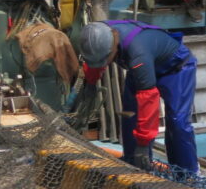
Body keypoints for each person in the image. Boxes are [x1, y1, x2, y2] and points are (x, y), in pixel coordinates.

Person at [78, 20, 199, 173]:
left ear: (113, 45)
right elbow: (94, 60)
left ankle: (187, 173)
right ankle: (133, 163)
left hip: (176, 69)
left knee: (177, 122)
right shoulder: (97, 34)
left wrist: (143, 144)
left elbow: (148, 100)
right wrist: (90, 84)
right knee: (130, 115)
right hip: (145, 66)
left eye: (105, 59)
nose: (104, 63)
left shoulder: (137, 54)